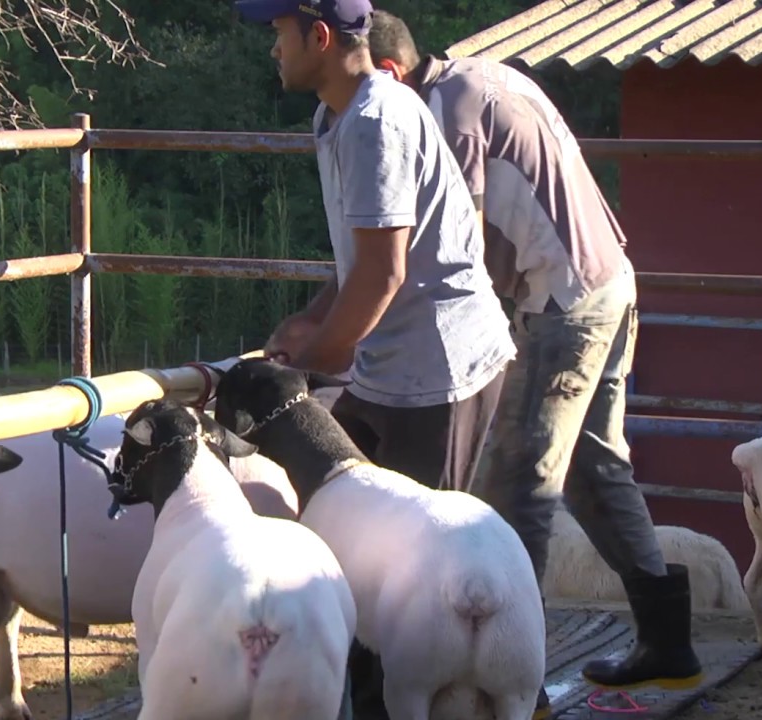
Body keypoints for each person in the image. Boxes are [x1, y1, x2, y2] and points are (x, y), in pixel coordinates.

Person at [365, 8, 704, 714]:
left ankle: (520, 684)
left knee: (519, 488)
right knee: (594, 470)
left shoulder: (444, 115)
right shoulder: (481, 77)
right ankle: (669, 644)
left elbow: (456, 249)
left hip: (561, 304)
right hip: (606, 281)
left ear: (390, 75)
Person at [234, 2, 517, 718]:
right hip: (389, 363)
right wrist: (314, 319)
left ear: (319, 37)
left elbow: (385, 273)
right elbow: (363, 259)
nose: (273, 49)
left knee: (419, 568)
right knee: (348, 537)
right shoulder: (335, 118)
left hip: (440, 367)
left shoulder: (376, 122)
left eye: (280, 33)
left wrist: (308, 365)